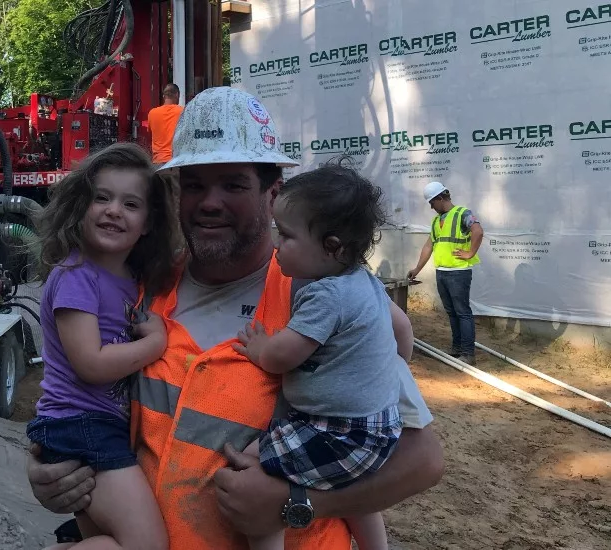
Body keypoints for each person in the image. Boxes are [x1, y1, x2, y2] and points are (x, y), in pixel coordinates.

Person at [28, 87, 445, 550]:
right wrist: (53, 471)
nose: (210, 202)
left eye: (233, 185)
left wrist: (297, 503)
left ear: (273, 192)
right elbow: (87, 403)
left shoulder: (323, 297)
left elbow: (422, 461)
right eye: (195, 185)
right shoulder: (149, 290)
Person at [233, 163, 405, 550]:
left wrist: (260, 347)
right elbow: (404, 332)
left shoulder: (325, 295)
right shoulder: (365, 282)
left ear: (332, 247)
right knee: (351, 489)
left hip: (341, 434)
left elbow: (282, 357)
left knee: (252, 469)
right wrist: (386, 371)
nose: (276, 243)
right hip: (379, 428)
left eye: (287, 235)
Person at [27, 141, 182, 550]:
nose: (114, 210)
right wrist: (155, 344)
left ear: (148, 223)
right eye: (102, 198)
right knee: (147, 545)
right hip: (81, 426)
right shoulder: (77, 275)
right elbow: (91, 364)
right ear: (81, 206)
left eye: (131, 204)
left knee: (112, 542)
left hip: (98, 427)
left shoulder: (131, 280)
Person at [407, 181, 483, 365]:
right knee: (452, 312)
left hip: (458, 272)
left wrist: (470, 253)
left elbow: (478, 231)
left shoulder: (463, 213)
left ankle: (468, 353)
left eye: (432, 203)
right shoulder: (437, 221)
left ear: (440, 198)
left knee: (462, 312)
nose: (431, 207)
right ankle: (457, 349)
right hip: (442, 272)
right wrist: (417, 269)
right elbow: (429, 246)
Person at [146, 83, 184, 166]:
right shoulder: (182, 111)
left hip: (158, 161)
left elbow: (150, 134)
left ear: (164, 96)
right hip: (176, 160)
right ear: (177, 95)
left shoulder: (152, 113)